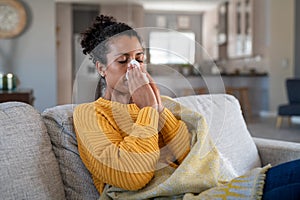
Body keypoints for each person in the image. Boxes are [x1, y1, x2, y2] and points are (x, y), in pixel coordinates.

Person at [73, 15, 300, 200]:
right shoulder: (90, 114)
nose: (134, 67)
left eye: (139, 59)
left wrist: (158, 108)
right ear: (102, 68)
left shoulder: (163, 105)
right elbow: (134, 177)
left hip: (208, 189)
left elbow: (191, 158)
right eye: (123, 61)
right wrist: (149, 111)